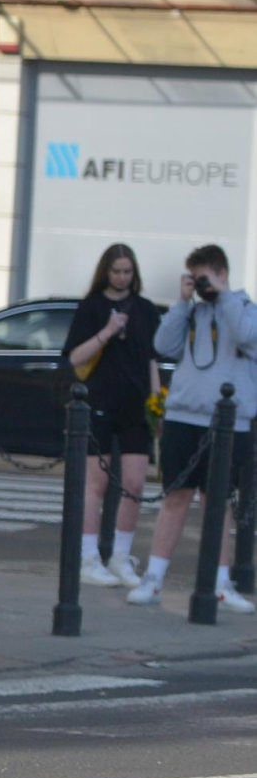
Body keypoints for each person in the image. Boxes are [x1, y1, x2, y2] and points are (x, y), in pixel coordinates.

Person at [130, 244, 257, 610]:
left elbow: (248, 337)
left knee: (218, 504)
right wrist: (183, 303)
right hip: (185, 418)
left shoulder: (244, 310)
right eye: (194, 278)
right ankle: (153, 580)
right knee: (175, 499)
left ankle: (220, 583)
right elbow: (162, 345)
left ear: (221, 274)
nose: (200, 285)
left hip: (230, 423)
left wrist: (225, 295)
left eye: (204, 277)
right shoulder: (192, 314)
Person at [65, 242, 162, 588]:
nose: (122, 277)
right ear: (106, 271)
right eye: (117, 271)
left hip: (136, 405)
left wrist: (156, 402)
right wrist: (106, 331)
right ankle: (88, 557)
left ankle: (121, 556)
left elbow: (151, 358)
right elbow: (76, 357)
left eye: (128, 272)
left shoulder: (146, 309)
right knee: (98, 483)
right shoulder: (92, 307)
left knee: (135, 483)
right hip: (100, 400)